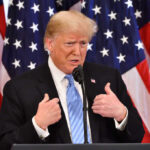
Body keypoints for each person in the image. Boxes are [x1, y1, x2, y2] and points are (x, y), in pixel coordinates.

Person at [0, 10, 144, 150]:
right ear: (50, 44)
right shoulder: (20, 88)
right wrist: (37, 125)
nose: (77, 51)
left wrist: (121, 114)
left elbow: (137, 136)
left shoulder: (108, 78)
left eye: (83, 43)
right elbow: (5, 144)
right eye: (70, 43)